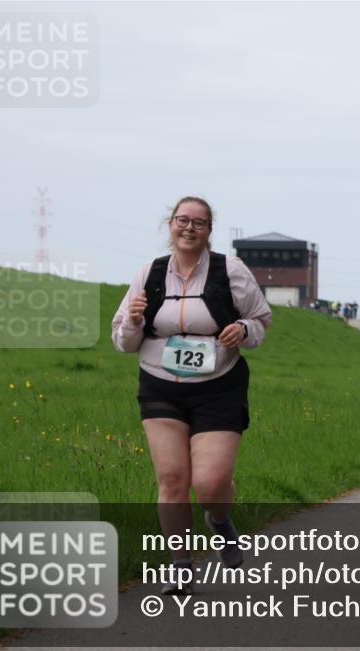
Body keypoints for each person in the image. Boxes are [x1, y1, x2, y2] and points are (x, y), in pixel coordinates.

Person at [112, 196, 272, 595]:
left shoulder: (230, 270)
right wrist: (133, 321)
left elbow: (261, 319)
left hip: (219, 385)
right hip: (159, 383)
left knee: (211, 482)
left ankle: (219, 521)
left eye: (198, 223)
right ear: (170, 224)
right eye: (182, 220)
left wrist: (244, 331)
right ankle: (180, 566)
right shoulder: (149, 272)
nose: (189, 228)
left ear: (209, 230)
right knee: (171, 478)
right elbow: (122, 341)